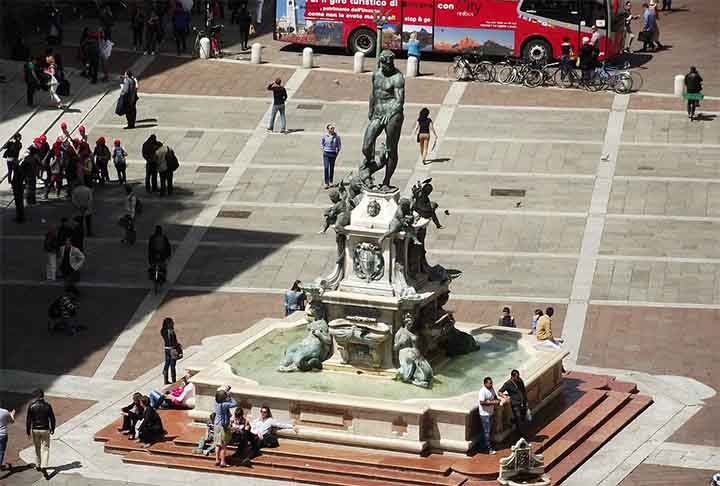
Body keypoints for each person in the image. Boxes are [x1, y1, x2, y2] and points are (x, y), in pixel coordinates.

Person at [362, 50, 405, 188]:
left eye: (391, 64)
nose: (390, 66)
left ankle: (387, 180)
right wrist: (370, 109)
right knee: (366, 145)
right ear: (382, 63)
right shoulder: (376, 74)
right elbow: (373, 93)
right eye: (387, 64)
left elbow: (400, 101)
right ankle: (371, 163)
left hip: (393, 113)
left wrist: (391, 112)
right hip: (378, 112)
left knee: (392, 149)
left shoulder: (398, 77)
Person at [26, 389, 55, 479]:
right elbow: (52, 418)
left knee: (37, 447)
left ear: (36, 396)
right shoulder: (47, 406)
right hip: (45, 429)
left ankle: (38, 465)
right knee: (45, 448)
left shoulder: (31, 406)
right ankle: (44, 466)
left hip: (35, 429)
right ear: (43, 396)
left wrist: (28, 430)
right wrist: (52, 428)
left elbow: (28, 419)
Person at [499, 370, 529, 439]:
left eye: (518, 376)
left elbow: (523, 391)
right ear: (512, 376)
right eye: (516, 377)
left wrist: (526, 401)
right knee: (518, 418)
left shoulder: (520, 381)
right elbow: (500, 392)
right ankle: (521, 435)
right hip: (515, 404)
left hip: (522, 403)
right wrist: (505, 397)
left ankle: (513, 421)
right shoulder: (507, 383)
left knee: (522, 417)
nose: (518, 378)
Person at [213, 387, 237, 467]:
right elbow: (235, 403)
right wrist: (230, 396)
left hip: (216, 425)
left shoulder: (216, 403)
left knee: (217, 444)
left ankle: (217, 459)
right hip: (223, 426)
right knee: (223, 446)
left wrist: (225, 391)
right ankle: (223, 462)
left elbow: (218, 395)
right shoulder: (225, 405)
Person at [478, 377, 500, 455]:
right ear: (485, 383)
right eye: (489, 383)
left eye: (491, 383)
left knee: (489, 431)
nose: (491, 384)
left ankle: (486, 445)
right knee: (486, 432)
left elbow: (495, 397)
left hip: (491, 413)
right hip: (485, 414)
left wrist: (497, 400)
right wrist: (493, 402)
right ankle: (488, 449)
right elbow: (482, 402)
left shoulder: (491, 389)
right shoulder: (482, 391)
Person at [320, 124, 341, 188]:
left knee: (331, 168)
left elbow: (339, 145)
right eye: (331, 128)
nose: (332, 129)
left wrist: (337, 152)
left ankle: (331, 181)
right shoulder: (325, 136)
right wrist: (323, 149)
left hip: (333, 153)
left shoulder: (337, 137)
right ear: (328, 129)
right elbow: (322, 143)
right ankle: (326, 182)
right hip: (326, 153)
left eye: (333, 128)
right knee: (326, 167)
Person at [161, 317, 180, 384]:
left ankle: (165, 380)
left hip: (166, 349)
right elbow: (173, 341)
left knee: (167, 363)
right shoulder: (171, 331)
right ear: (168, 323)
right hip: (172, 349)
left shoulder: (162, 331)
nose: (173, 323)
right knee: (172, 365)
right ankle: (174, 381)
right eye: (172, 322)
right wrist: (177, 346)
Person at [0, 405, 16, 471]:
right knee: (1, 452)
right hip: (2, 434)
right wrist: (12, 414)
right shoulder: (5, 412)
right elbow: (12, 421)